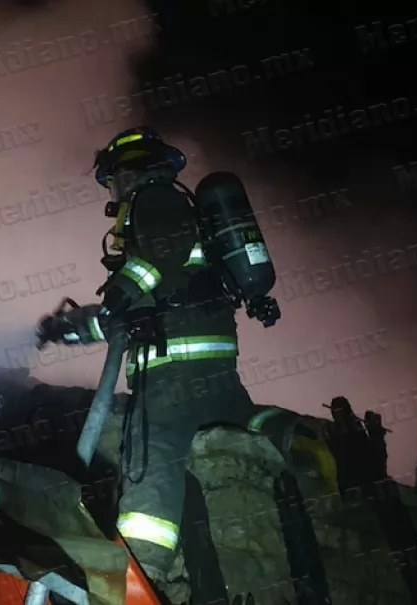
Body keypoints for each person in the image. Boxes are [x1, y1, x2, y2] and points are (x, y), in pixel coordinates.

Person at [36, 126, 259, 586]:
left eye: (112, 180)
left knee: (148, 461)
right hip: (213, 372)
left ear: (128, 172)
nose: (112, 192)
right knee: (200, 471)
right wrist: (67, 332)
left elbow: (153, 262)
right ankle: (189, 574)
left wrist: (117, 292)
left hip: (172, 378)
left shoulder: (154, 201)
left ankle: (139, 577)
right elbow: (124, 320)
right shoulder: (178, 220)